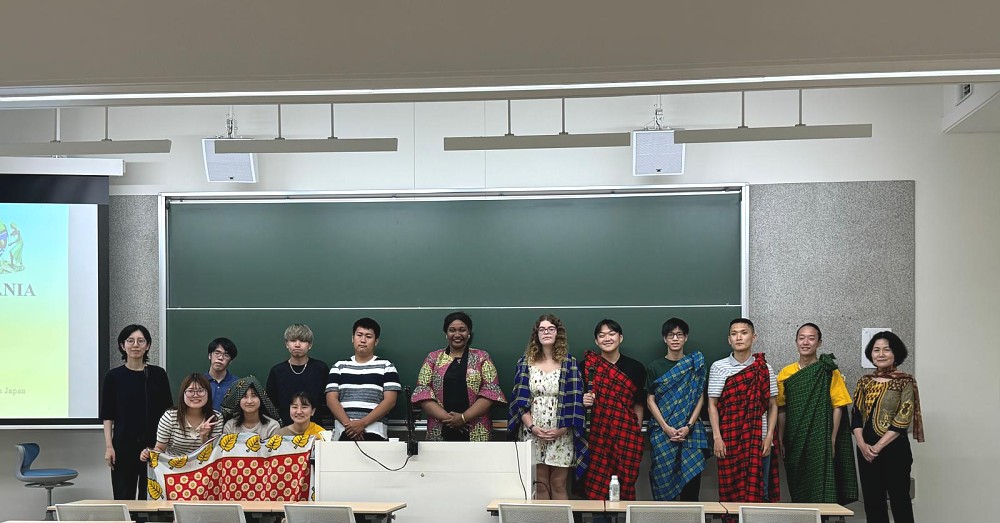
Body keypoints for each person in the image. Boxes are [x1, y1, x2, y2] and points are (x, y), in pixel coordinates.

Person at [508, 314, 588, 500]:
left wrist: (561, 429)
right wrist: (532, 427)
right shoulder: (525, 362)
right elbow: (519, 400)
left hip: (562, 430)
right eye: (542, 329)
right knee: (541, 485)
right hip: (533, 430)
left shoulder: (570, 363)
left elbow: (575, 401)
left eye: (550, 329)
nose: (546, 333)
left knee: (559, 484)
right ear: (536, 334)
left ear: (557, 333)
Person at [776, 323, 858, 503]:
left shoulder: (828, 371)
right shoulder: (785, 373)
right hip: (794, 437)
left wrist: (832, 438)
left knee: (822, 484)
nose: (806, 342)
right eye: (801, 338)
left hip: (821, 437)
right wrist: (781, 439)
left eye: (811, 338)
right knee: (799, 485)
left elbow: (838, 406)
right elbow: (781, 408)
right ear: (796, 341)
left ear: (819, 342)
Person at [853, 331, 924, 523]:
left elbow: (904, 417)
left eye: (886, 349)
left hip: (895, 451)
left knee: (900, 501)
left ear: (896, 353)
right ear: (871, 354)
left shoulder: (905, 381)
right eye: (876, 350)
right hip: (866, 452)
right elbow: (856, 416)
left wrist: (877, 447)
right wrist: (862, 445)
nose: (881, 354)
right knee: (872, 503)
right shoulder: (864, 381)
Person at [708, 318, 780, 504]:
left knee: (760, 493)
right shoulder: (718, 367)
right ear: (729, 340)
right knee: (730, 493)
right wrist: (717, 437)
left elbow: (773, 405)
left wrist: (769, 436)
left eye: (744, 332)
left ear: (753, 337)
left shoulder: (764, 368)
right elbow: (712, 405)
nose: (739, 337)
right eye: (734, 333)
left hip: (759, 438)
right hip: (729, 438)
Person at [100, 324, 173, 499]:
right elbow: (107, 415)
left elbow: (169, 412)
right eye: (130, 341)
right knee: (123, 496)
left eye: (141, 341)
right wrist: (109, 447)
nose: (135, 345)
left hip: (154, 445)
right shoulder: (113, 377)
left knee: (150, 497)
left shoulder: (158, 374)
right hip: (123, 445)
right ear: (122, 345)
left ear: (147, 345)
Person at [412, 311, 506, 441]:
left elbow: (491, 392)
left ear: (469, 334)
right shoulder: (433, 358)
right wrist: (450, 420)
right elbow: (423, 392)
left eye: (462, 330)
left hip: (477, 431)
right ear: (446, 334)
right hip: (439, 429)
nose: (457, 334)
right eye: (452, 330)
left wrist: (463, 418)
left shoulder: (482, 357)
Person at [580, 319, 646, 501]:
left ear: (620, 337)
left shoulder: (636, 368)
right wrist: (583, 400)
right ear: (596, 341)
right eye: (602, 335)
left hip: (627, 436)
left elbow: (639, 403)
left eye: (611, 334)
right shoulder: (586, 367)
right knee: (597, 485)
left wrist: (635, 431)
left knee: (625, 485)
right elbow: (575, 401)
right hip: (596, 436)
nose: (607, 338)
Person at [646, 317, 708, 501]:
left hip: (691, 432)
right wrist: (666, 427)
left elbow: (700, 397)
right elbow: (650, 400)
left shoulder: (695, 363)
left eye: (679, 335)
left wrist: (689, 426)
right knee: (663, 482)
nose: (675, 339)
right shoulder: (655, 366)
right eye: (671, 335)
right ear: (665, 339)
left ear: (685, 338)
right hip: (663, 432)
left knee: (691, 488)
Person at [326, 318, 401, 441]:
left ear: (376, 341)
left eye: (368, 336)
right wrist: (350, 426)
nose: (363, 340)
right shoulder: (339, 366)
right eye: (359, 335)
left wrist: (362, 424)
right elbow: (331, 399)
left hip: (375, 432)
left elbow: (390, 401)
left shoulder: (386, 366)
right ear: (352, 338)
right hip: (343, 433)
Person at [140, 373, 222, 460]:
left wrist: (204, 437)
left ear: (208, 393)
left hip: (204, 468)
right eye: (190, 391)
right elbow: (160, 448)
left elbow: (214, 454)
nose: (195, 395)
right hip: (173, 467)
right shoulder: (170, 417)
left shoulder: (216, 418)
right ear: (183, 394)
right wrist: (148, 453)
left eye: (200, 391)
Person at [265, 323, 331, 427]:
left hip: (315, 429)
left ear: (310, 345)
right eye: (293, 340)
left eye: (302, 341)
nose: (297, 345)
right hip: (285, 430)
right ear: (286, 344)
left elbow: (327, 402)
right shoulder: (277, 371)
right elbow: (270, 405)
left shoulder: (320, 369)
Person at [205, 337, 239, 412]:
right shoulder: (199, 382)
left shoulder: (237, 384)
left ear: (230, 361)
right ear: (210, 356)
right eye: (217, 353)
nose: (220, 358)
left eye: (226, 355)